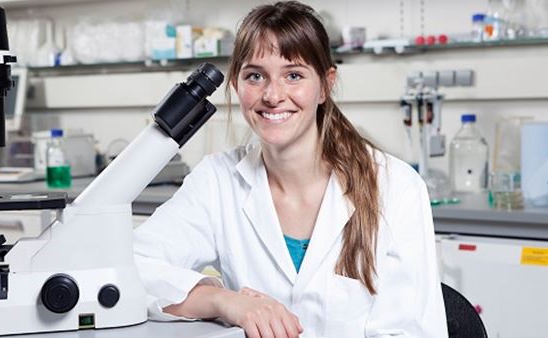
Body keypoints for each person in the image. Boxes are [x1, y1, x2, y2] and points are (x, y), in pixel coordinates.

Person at [133, 1, 448, 337]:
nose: (272, 95)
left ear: (325, 85)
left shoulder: (395, 186)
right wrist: (224, 301)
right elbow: (128, 266)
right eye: (255, 76)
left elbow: (414, 330)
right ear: (237, 85)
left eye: (293, 75)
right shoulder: (218, 179)